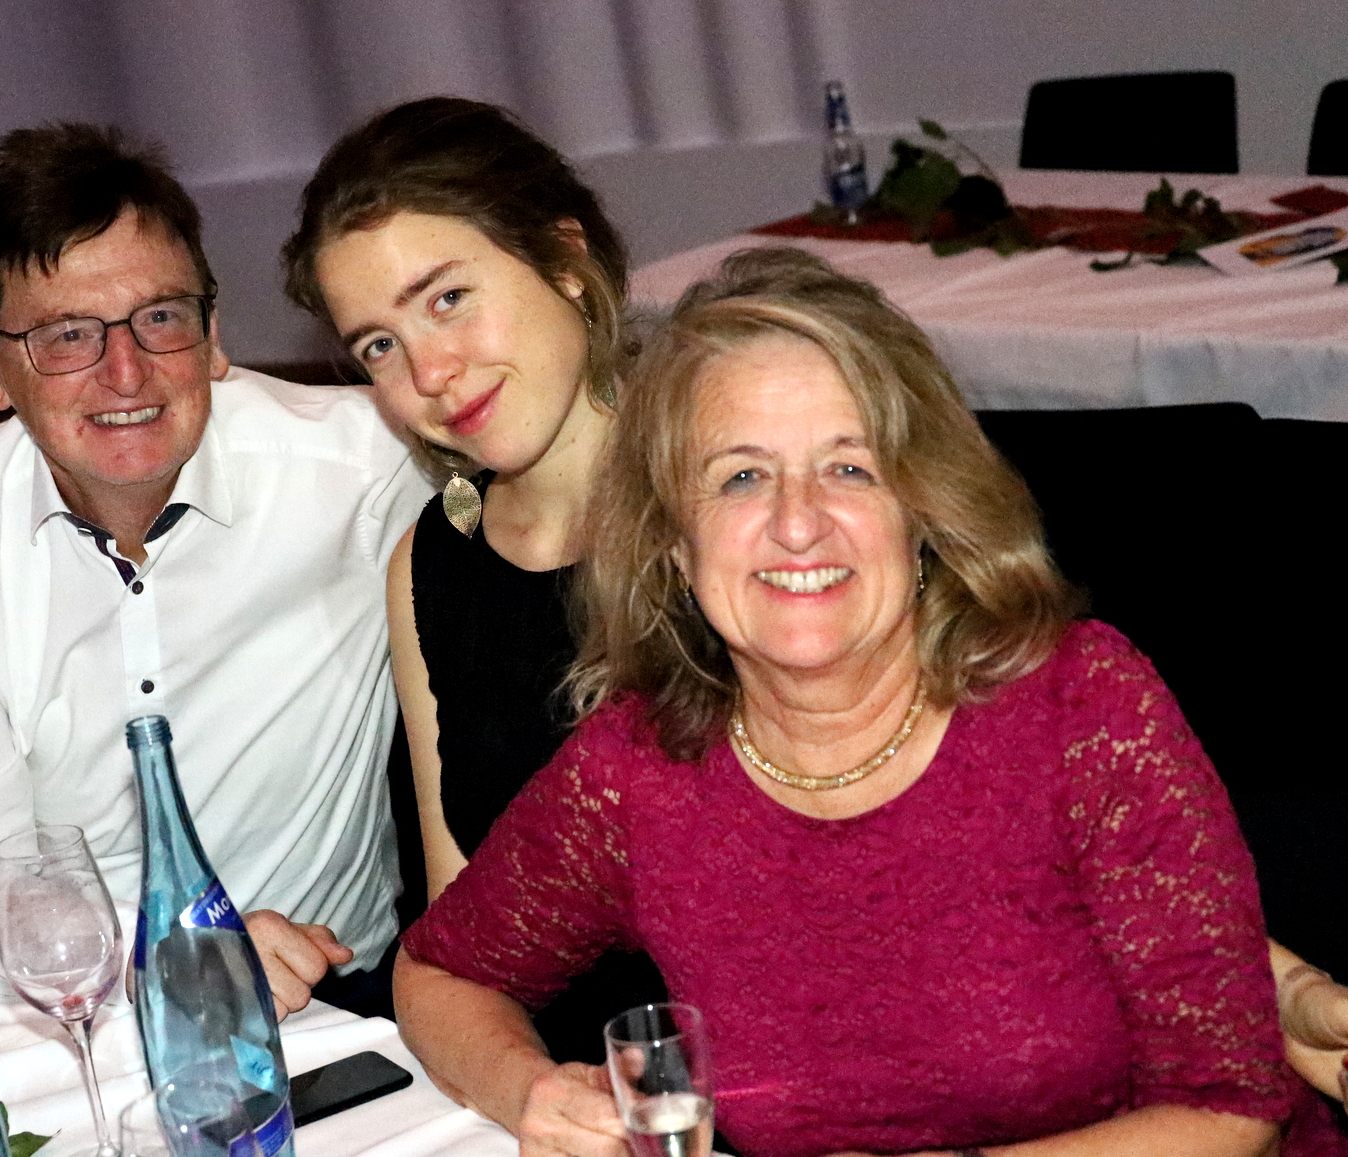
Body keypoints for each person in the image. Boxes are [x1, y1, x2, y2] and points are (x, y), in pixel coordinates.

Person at [394, 248, 1320, 1155]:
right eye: (741, 476)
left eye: (850, 468)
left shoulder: (1079, 707)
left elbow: (1230, 1106)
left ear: (923, 512)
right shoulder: (642, 770)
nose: (798, 523)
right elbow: (439, 971)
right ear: (676, 543)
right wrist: (531, 1090)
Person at [0, 123, 429, 1016]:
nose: (125, 373)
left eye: (160, 317)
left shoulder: (364, 467)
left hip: (333, 1005)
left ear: (213, 334)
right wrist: (169, 950)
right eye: (66, 336)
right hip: (73, 1009)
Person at [282, 97, 666, 1061]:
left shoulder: (731, 501)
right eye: (379, 345)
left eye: (448, 298)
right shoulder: (432, 564)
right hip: (540, 1088)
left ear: (565, 259)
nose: (431, 372)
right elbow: (461, 945)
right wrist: (532, 1094)